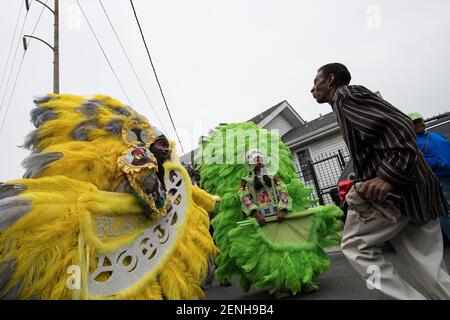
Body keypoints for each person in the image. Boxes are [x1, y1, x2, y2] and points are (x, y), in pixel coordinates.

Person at [311, 62, 450, 299]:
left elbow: (400, 125)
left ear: (331, 80)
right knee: (430, 269)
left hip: (397, 194)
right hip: (416, 194)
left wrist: (387, 175)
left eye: (316, 82)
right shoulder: (346, 102)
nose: (312, 90)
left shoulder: (346, 96)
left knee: (354, 245)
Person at [409, 112, 450, 242]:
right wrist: (439, 163)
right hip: (439, 179)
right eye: (414, 123)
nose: (419, 124)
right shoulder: (412, 143)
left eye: (420, 121)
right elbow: (417, 162)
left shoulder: (434, 135)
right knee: (446, 212)